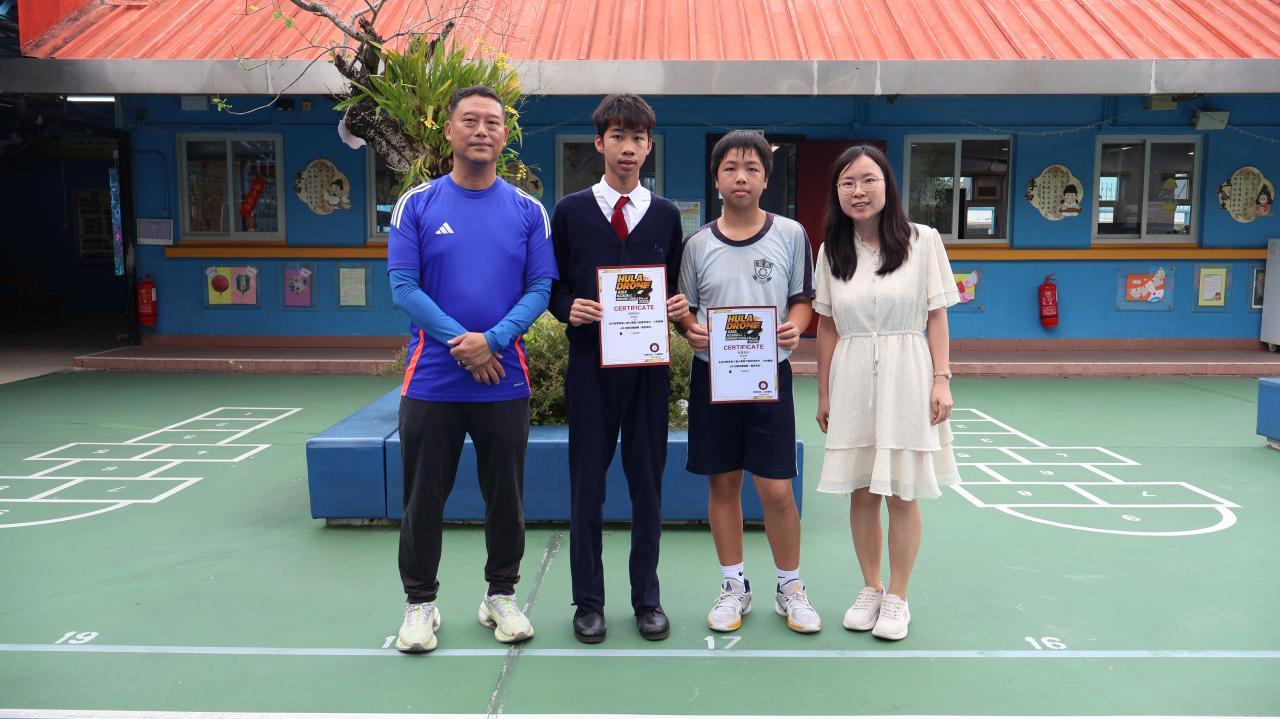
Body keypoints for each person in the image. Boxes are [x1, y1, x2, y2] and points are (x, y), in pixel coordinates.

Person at [386, 85, 558, 653]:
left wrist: (494, 341)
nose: (481, 130)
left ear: (505, 135)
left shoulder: (528, 210)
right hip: (432, 380)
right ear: (449, 130)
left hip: (504, 378)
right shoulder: (417, 204)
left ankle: (500, 595)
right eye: (470, 120)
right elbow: (403, 287)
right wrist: (464, 344)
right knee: (422, 498)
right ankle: (420, 604)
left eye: (492, 122)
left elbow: (540, 288)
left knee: (506, 497)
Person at [549, 94, 688, 643]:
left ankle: (647, 599)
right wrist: (569, 307)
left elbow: (677, 286)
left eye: (638, 138)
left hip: (648, 369)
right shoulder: (570, 211)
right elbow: (551, 285)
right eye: (618, 137)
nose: (628, 148)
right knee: (587, 485)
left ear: (649, 147)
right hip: (590, 366)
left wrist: (679, 307)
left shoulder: (667, 215)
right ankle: (588, 602)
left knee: (647, 485)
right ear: (599, 143)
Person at [812, 144, 960, 641]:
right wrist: (824, 392)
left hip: (907, 372)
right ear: (837, 192)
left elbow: (936, 315)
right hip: (852, 375)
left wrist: (941, 378)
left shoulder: (923, 241)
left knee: (901, 490)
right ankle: (870, 588)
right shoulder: (831, 250)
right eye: (847, 182)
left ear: (886, 185)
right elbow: (827, 326)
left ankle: (897, 596)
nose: (858, 191)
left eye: (868, 180)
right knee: (861, 490)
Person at [678, 130, 821, 635]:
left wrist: (796, 326)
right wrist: (690, 330)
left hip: (768, 378)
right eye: (730, 168)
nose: (741, 177)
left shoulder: (791, 234)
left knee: (777, 488)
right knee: (723, 483)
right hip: (713, 378)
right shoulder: (696, 244)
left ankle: (790, 587)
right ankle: (733, 584)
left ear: (766, 179)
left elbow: (802, 300)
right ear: (716, 179)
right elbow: (686, 309)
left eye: (752, 168)